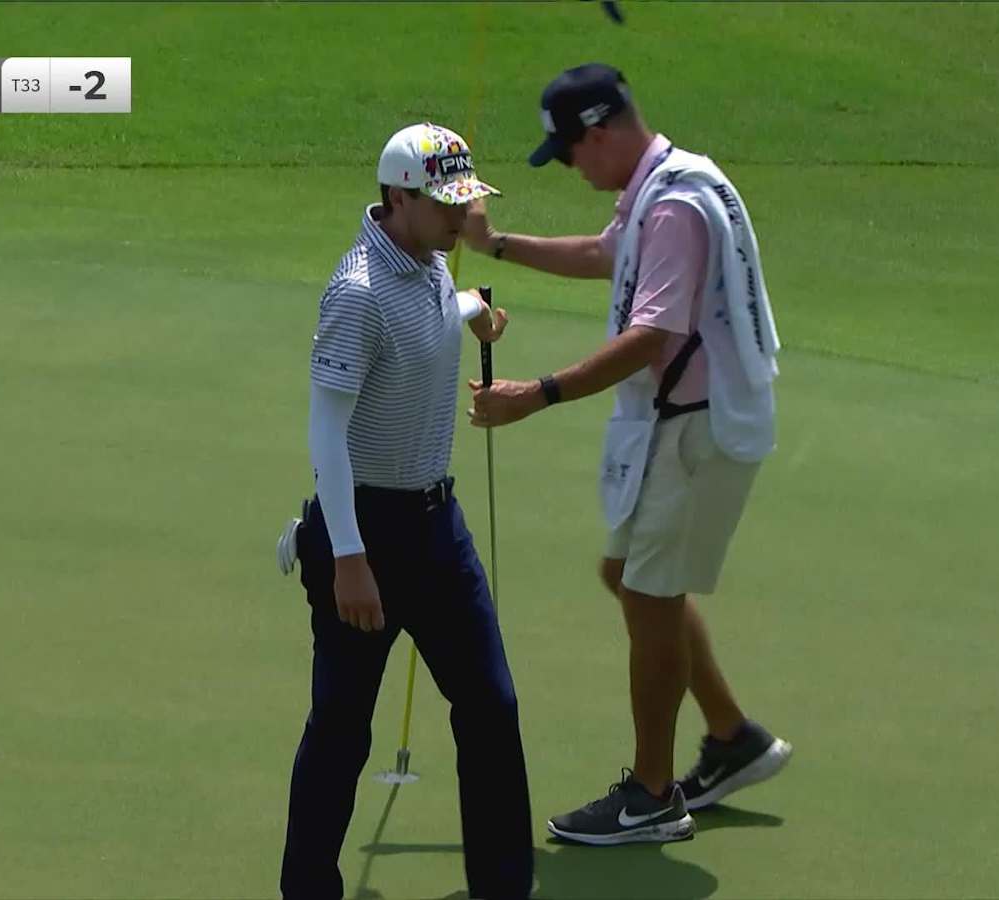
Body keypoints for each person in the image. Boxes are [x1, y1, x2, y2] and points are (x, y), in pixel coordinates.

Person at [464, 64, 791, 846]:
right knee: (630, 578)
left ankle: (651, 796)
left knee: (650, 593)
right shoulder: (666, 182)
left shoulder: (673, 205)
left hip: (699, 427)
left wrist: (537, 393)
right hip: (689, 417)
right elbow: (605, 254)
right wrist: (496, 245)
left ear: (601, 132)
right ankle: (733, 739)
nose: (571, 168)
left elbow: (651, 336)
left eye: (571, 153)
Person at [280, 122, 533, 898]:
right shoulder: (356, 293)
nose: (464, 216)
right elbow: (326, 430)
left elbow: (428, 311)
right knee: (342, 729)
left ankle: (502, 888)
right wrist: (349, 558)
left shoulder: (427, 262)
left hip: (436, 531)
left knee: (491, 706)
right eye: (447, 203)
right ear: (398, 199)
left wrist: (473, 307)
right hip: (365, 533)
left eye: (466, 200)